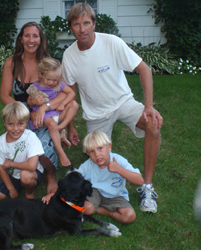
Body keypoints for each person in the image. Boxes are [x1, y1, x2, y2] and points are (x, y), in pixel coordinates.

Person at [62, 3, 163, 213]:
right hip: (96, 114)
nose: (82, 29)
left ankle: (146, 187)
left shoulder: (111, 42)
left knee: (153, 125)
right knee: (94, 155)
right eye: (76, 24)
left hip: (123, 102)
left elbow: (144, 68)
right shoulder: (69, 56)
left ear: (94, 23)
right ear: (71, 27)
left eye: (86, 23)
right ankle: (98, 191)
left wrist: (149, 106)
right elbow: (70, 96)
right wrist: (70, 127)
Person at [0, 22, 73, 195]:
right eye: (27, 35)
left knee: (42, 146)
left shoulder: (47, 63)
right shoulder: (12, 63)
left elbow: (64, 93)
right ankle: (23, 175)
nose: (31, 40)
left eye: (35, 36)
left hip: (46, 113)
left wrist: (44, 108)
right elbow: (5, 96)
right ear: (21, 39)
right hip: (19, 114)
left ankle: (50, 176)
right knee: (22, 146)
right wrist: (25, 114)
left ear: (40, 40)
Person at [78, 131, 144, 224]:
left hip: (115, 195)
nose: (97, 154)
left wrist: (119, 169)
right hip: (95, 192)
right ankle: (95, 208)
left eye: (100, 148)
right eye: (92, 151)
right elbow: (74, 177)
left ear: (109, 147)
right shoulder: (88, 165)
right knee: (86, 209)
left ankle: (106, 212)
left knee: (129, 216)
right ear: (88, 154)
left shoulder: (118, 160)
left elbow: (140, 181)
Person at [0, 102, 44, 203]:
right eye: (10, 124)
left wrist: (11, 164)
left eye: (20, 124)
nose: (15, 129)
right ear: (4, 123)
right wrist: (11, 189)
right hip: (13, 175)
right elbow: (1, 166)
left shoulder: (30, 137)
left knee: (25, 176)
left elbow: (32, 166)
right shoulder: (1, 142)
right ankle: (17, 187)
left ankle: (29, 192)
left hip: (33, 172)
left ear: (26, 123)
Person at [27, 57, 78, 167]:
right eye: (48, 79)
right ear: (41, 75)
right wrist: (34, 101)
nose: (51, 83)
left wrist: (63, 104)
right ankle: (61, 153)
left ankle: (60, 128)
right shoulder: (35, 87)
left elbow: (72, 94)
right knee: (51, 124)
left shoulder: (59, 84)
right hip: (43, 115)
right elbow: (29, 102)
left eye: (55, 80)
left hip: (56, 112)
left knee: (74, 104)